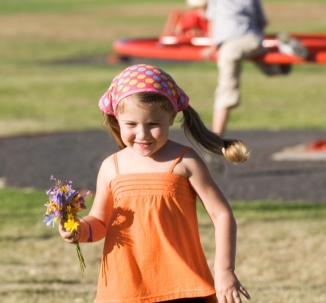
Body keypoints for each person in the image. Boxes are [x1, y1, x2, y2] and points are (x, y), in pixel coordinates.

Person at [58, 64, 252, 303]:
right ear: (116, 120)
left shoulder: (185, 161)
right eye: (131, 124)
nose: (143, 134)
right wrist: (78, 230)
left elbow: (221, 215)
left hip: (182, 288)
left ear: (171, 117)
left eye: (153, 124)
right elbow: (100, 222)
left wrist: (224, 271)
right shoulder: (111, 167)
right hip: (124, 290)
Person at [203, 0, 307, 136]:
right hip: (252, 39)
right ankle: (284, 60)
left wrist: (213, 45)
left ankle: (216, 136)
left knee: (226, 88)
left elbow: (212, 19)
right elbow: (261, 22)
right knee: (263, 61)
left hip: (230, 45)